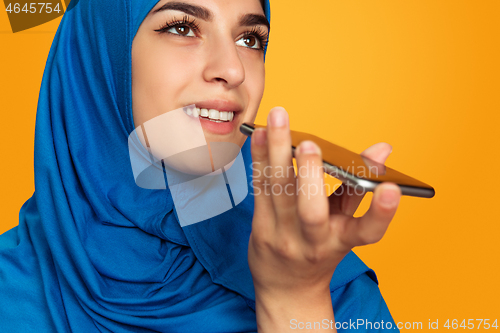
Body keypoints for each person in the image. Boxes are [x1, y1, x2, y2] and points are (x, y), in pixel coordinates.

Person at [0, 0, 402, 332]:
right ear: (98, 55)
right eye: (181, 28)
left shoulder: (332, 289)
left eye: (250, 38)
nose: (233, 70)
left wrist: (296, 302)